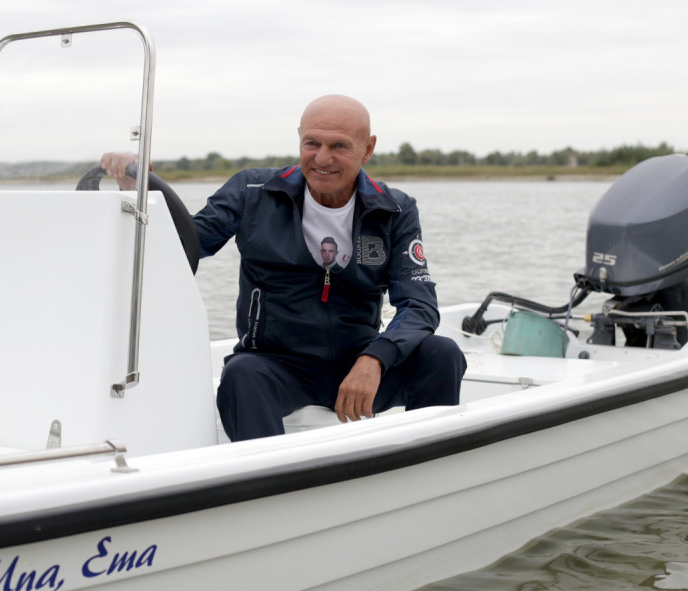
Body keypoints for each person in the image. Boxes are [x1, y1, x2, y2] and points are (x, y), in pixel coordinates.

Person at [101, 94, 466, 442]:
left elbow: (420, 305)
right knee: (241, 374)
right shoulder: (251, 191)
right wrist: (140, 193)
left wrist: (375, 358)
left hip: (359, 362)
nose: (322, 158)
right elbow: (179, 249)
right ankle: (266, 487)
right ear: (299, 140)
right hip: (276, 366)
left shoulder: (395, 210)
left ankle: (424, 467)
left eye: (339, 145)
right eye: (312, 143)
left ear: (367, 149)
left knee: (441, 353)